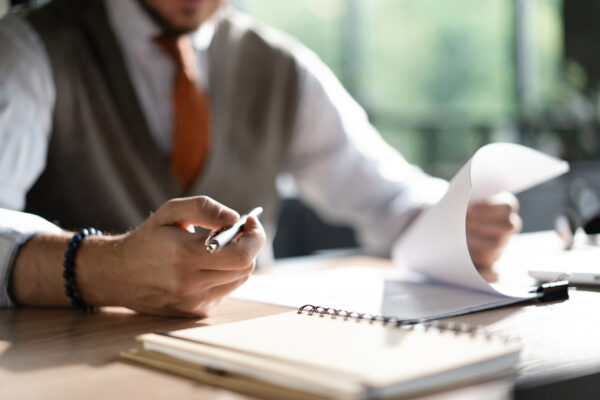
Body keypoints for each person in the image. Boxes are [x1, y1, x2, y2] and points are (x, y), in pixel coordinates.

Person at [0, 0, 521, 317]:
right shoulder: (29, 50)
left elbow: (383, 192)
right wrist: (103, 270)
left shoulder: (280, 65)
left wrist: (451, 219)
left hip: (249, 364)